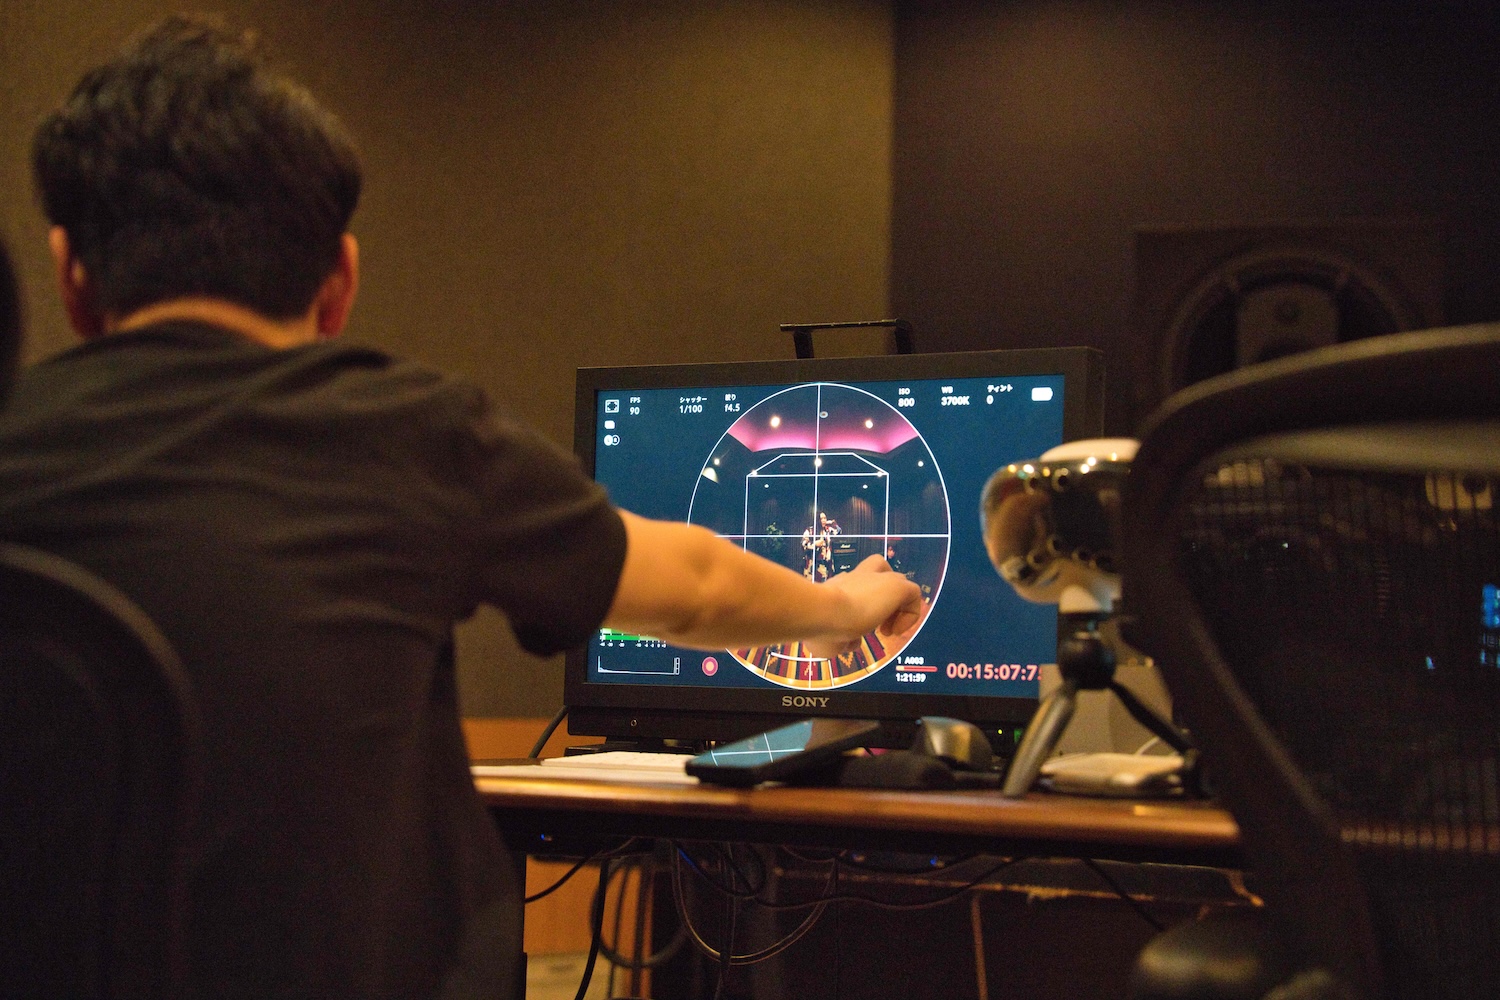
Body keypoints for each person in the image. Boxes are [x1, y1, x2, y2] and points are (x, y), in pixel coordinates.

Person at [0, 17, 921, 1000]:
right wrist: (841, 609)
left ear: (70, 275)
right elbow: (692, 587)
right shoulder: (410, 437)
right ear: (340, 281)